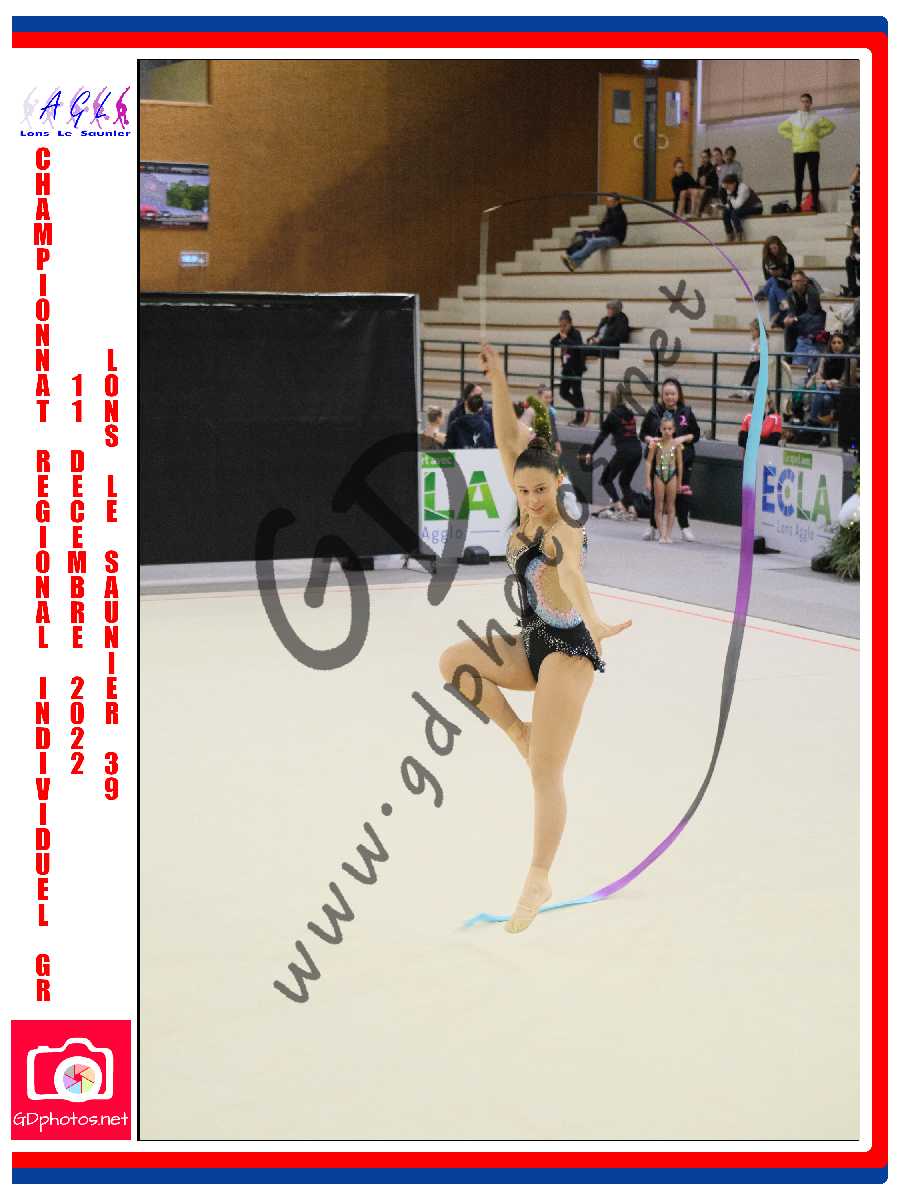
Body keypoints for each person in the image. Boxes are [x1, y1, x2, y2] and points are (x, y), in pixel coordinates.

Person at [438, 344, 631, 935]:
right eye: (523, 491)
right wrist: (498, 377)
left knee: (545, 773)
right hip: (533, 641)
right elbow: (505, 438)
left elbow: (569, 574)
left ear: (558, 483)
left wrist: (593, 618)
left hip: (569, 651)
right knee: (455, 663)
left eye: (540, 490)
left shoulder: (563, 524)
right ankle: (517, 732)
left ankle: (539, 875)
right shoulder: (524, 492)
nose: (531, 499)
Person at [639, 377, 700, 541]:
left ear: (678, 394)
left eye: (673, 394)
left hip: (682, 460)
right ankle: (653, 527)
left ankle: (685, 527)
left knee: (682, 494)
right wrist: (650, 439)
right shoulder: (654, 412)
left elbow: (696, 434)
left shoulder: (686, 412)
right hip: (659, 461)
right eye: (666, 394)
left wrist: (683, 438)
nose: (669, 397)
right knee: (657, 495)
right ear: (662, 395)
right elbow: (642, 433)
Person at [580, 391, 642, 518]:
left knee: (605, 479)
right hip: (637, 450)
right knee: (624, 481)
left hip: (625, 451)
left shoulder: (612, 415)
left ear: (611, 401)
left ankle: (619, 507)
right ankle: (632, 510)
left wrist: (591, 452)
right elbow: (626, 431)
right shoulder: (630, 413)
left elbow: (601, 437)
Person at [777, 93, 835, 213]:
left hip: (813, 150)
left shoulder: (816, 117)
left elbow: (831, 126)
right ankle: (798, 204)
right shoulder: (793, 117)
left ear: (811, 103)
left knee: (814, 178)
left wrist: (818, 135)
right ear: (800, 103)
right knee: (798, 178)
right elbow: (780, 128)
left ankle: (815, 204)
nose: (805, 104)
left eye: (807, 101)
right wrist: (792, 138)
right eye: (803, 101)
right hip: (798, 151)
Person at [774, 269, 826, 374]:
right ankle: (788, 357)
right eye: (793, 281)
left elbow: (811, 312)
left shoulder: (812, 292)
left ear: (805, 281)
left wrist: (795, 319)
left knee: (807, 325)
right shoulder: (790, 292)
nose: (795, 284)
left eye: (798, 281)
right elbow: (792, 310)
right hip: (800, 317)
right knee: (788, 327)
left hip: (815, 318)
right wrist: (789, 317)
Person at [561, 195, 627, 271]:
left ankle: (572, 259)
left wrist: (596, 234)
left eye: (610, 201)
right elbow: (602, 228)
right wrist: (598, 231)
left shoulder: (620, 214)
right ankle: (576, 263)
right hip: (607, 237)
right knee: (589, 241)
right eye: (607, 201)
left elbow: (611, 231)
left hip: (615, 239)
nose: (608, 203)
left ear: (616, 202)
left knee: (592, 242)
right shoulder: (609, 213)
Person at [645, 414, 682, 544]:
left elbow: (680, 464)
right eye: (664, 429)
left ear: (674, 429)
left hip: (672, 475)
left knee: (671, 505)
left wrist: (680, 482)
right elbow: (649, 461)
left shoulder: (676, 444)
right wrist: (647, 479)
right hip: (658, 475)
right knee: (658, 505)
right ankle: (662, 533)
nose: (667, 431)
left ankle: (668, 534)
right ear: (660, 429)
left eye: (669, 429)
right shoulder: (656, 444)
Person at [550, 310, 587, 426]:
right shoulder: (562, 333)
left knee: (577, 391)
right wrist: (560, 340)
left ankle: (580, 417)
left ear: (570, 324)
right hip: (566, 367)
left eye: (564, 326)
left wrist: (565, 339)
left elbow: (577, 346)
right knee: (563, 392)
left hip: (576, 368)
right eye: (560, 326)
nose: (562, 328)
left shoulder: (576, 333)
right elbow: (552, 341)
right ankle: (581, 409)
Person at [810, 332, 852, 426]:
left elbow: (845, 381)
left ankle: (812, 419)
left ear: (843, 345)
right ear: (830, 344)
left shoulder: (848, 358)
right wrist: (826, 382)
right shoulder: (825, 357)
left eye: (839, 342)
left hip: (841, 391)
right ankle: (824, 429)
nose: (836, 345)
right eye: (834, 343)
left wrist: (832, 383)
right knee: (826, 399)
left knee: (822, 389)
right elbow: (818, 377)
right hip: (827, 390)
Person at [755, 236, 796, 318]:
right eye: (770, 249)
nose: (773, 251)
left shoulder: (788, 257)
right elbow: (766, 277)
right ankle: (784, 303)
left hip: (786, 282)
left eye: (775, 248)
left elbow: (791, 273)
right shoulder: (766, 260)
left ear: (779, 246)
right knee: (772, 290)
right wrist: (774, 273)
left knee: (773, 284)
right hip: (775, 283)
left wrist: (781, 273)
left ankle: (764, 292)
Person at [720, 174, 763, 242]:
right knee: (725, 213)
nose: (727, 188)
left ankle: (739, 234)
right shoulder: (730, 189)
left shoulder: (743, 188)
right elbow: (730, 204)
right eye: (726, 186)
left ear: (734, 183)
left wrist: (730, 196)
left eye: (728, 186)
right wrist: (723, 206)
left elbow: (737, 205)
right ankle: (730, 234)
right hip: (744, 206)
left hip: (756, 207)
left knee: (734, 213)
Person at [730, 318, 762, 399]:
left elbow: (762, 352)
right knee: (747, 375)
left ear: (758, 330)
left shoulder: (762, 340)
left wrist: (758, 350)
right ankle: (743, 391)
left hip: (760, 362)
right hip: (753, 361)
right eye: (751, 330)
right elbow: (752, 351)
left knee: (751, 376)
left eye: (753, 330)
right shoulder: (754, 340)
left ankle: (748, 393)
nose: (751, 332)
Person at [690, 147, 718, 217]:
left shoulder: (712, 168)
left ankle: (699, 212)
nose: (703, 159)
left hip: (711, 189)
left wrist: (704, 184)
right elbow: (698, 182)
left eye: (705, 157)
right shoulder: (700, 169)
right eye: (702, 157)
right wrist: (699, 183)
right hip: (703, 188)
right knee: (694, 191)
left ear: (709, 158)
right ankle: (693, 213)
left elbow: (714, 183)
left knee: (703, 192)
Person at [843, 219, 860, 298]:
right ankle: (852, 288)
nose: (856, 228)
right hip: (858, 260)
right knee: (848, 260)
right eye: (855, 226)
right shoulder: (855, 237)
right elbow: (852, 249)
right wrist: (854, 254)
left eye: (858, 226)